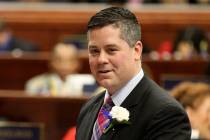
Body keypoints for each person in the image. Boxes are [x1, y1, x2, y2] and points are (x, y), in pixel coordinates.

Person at [76, 7, 191, 140]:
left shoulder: (166, 114)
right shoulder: (89, 107)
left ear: (136, 50)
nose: (101, 59)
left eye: (111, 50)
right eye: (94, 51)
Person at [25, 43, 97, 96]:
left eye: (70, 60)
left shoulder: (90, 82)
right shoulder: (36, 84)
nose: (64, 65)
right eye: (59, 60)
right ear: (51, 62)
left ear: (78, 63)